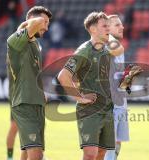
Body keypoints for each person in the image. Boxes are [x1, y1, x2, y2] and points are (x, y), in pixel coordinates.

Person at [58, 11, 124, 160]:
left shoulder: (107, 51)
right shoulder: (84, 51)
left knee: (101, 153)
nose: (108, 29)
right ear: (93, 29)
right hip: (89, 110)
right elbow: (63, 76)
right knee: (90, 154)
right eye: (104, 26)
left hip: (107, 108)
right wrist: (79, 97)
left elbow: (120, 49)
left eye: (108, 26)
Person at [6, 6, 52, 160]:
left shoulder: (36, 45)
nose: (46, 27)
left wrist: (41, 92)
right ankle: (8, 157)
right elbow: (34, 21)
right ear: (32, 20)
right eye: (44, 22)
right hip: (24, 103)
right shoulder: (15, 41)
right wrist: (33, 21)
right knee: (36, 154)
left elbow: (34, 74)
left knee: (27, 152)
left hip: (36, 103)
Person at [104, 15, 129, 160]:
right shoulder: (107, 44)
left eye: (121, 24)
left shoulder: (118, 46)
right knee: (110, 142)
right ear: (108, 28)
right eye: (117, 25)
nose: (122, 27)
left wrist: (126, 79)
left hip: (120, 100)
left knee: (118, 141)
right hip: (110, 102)